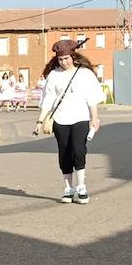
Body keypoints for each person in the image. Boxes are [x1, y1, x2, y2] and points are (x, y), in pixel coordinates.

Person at [34, 40, 105, 204]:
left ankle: (81, 187)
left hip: (80, 118)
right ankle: (68, 188)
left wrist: (95, 118)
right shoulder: (54, 76)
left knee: (79, 151)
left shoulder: (84, 74)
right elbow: (48, 100)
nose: (63, 62)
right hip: (60, 119)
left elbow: (92, 98)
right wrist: (40, 121)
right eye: (60, 59)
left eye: (66, 58)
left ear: (72, 57)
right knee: (64, 154)